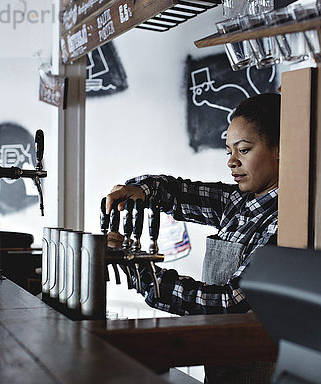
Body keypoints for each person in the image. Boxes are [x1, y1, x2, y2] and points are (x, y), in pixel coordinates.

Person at [105, 92, 281, 383]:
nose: (232, 162)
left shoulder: (282, 222)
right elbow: (178, 192)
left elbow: (232, 304)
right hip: (221, 367)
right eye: (229, 152)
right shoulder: (238, 202)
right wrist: (140, 191)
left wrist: (143, 274)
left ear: (279, 148)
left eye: (244, 150)